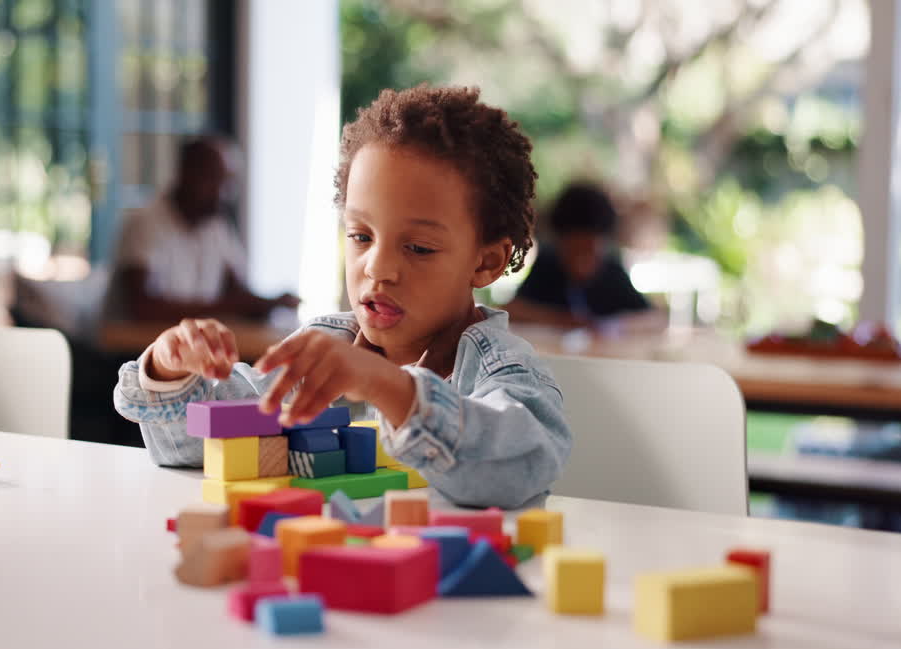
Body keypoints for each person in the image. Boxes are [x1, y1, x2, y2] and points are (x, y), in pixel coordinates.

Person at [113, 86, 571, 509]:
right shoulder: (325, 346)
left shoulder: (503, 369)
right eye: (360, 236)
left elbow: (518, 468)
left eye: (418, 248)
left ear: (486, 262)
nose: (377, 268)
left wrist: (387, 385)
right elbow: (200, 446)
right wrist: (170, 370)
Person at [106, 137, 298, 323]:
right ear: (186, 173)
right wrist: (232, 306)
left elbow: (237, 293)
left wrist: (267, 304)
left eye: (227, 182)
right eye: (214, 179)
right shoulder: (144, 223)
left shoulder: (216, 228)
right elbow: (143, 309)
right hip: (137, 344)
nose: (222, 192)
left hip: (189, 342)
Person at [505, 182, 662, 332]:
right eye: (575, 251)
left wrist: (614, 326)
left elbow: (654, 318)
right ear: (559, 243)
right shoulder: (547, 266)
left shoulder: (612, 271)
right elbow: (510, 310)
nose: (581, 262)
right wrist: (562, 321)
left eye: (589, 252)